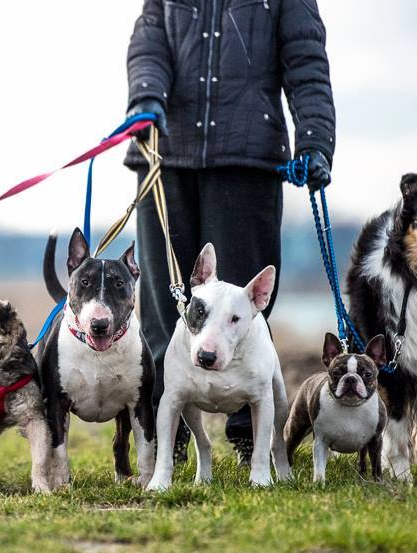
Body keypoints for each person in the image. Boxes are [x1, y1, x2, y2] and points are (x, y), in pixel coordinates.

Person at [125, 0, 335, 464]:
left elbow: (306, 61)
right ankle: (166, 436)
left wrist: (316, 140)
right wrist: (145, 96)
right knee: (165, 310)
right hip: (165, 156)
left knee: (242, 312)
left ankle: (250, 439)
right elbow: (149, 43)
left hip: (247, 163)